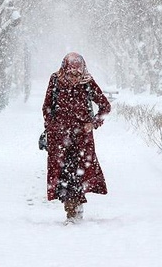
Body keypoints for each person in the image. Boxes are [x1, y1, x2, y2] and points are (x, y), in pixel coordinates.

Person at [42, 52, 111, 224]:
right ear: (65, 69)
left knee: (78, 174)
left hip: (82, 140)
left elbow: (105, 106)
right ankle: (71, 209)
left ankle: (74, 210)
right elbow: (47, 107)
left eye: (78, 73)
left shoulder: (87, 82)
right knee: (63, 175)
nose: (74, 77)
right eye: (71, 73)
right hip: (60, 139)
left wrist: (93, 123)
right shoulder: (56, 80)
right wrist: (52, 126)